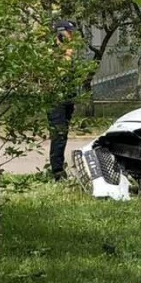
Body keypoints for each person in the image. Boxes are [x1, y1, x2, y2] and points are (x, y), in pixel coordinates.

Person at [47, 19, 79, 180]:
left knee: (63, 134)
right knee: (58, 135)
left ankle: (59, 169)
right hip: (56, 100)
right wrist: (66, 53)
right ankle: (57, 172)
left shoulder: (66, 51)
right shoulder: (53, 53)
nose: (72, 36)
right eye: (69, 32)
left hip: (67, 97)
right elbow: (60, 74)